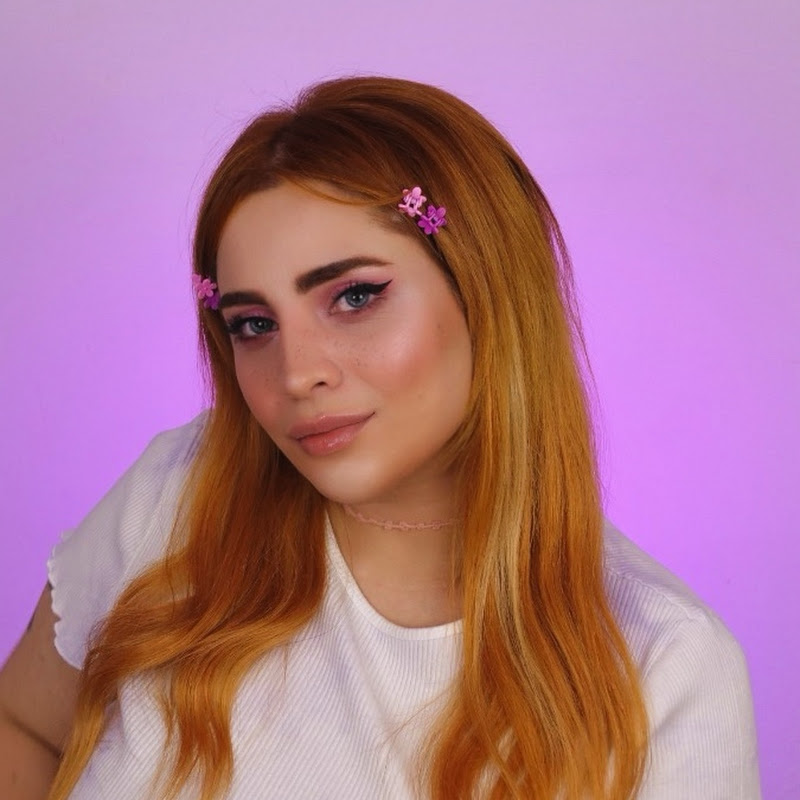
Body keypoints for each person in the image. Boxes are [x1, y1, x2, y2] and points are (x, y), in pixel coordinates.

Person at [0, 76, 760, 800]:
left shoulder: (663, 664)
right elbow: (23, 728)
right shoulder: (180, 494)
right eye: (254, 324)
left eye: (355, 296)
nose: (297, 372)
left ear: (485, 287)